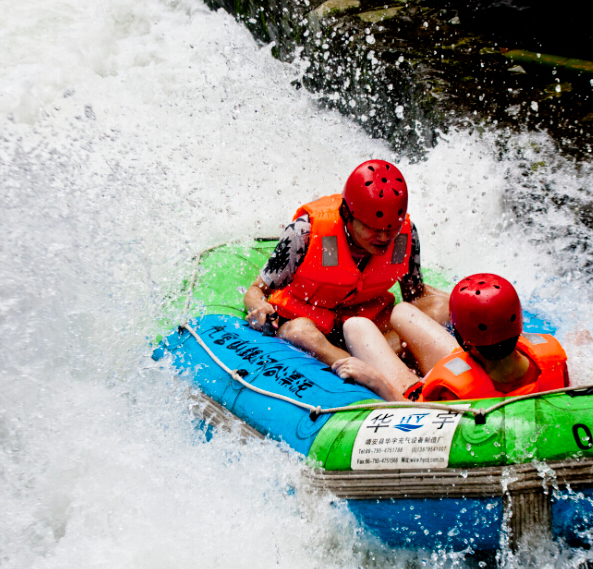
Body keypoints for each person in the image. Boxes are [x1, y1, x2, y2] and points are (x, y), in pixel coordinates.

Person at [243, 160, 448, 366]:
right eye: (373, 228)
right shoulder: (304, 232)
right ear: (348, 215)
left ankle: (375, 361)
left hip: (369, 328)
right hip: (312, 326)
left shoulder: (405, 236)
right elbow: (255, 291)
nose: (385, 237)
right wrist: (259, 308)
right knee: (299, 331)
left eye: (391, 228)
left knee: (441, 307)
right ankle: (368, 365)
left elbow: (415, 296)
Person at [332, 273, 572, 402]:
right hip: (489, 369)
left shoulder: (449, 392)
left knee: (356, 326)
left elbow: (418, 419)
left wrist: (376, 381)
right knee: (402, 312)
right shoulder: (554, 363)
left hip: (421, 393)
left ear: (463, 339)